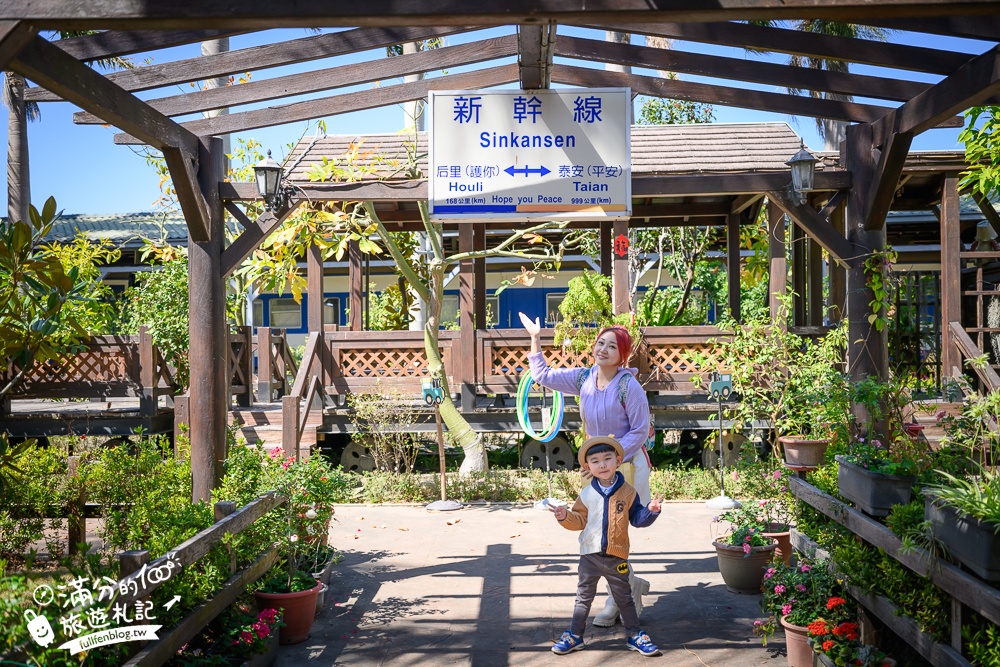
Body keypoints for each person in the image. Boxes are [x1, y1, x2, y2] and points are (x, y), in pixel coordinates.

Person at [520, 311, 653, 626]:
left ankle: (616, 599)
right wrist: (536, 338)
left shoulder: (628, 386)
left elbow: (639, 430)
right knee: (598, 534)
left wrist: (611, 459)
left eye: (611, 346)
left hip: (628, 465)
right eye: (600, 343)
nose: (602, 349)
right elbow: (544, 376)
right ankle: (629, 587)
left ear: (622, 355)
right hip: (599, 468)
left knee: (611, 534)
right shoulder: (583, 378)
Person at [548, 435, 663, 656]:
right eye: (595, 461)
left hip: (616, 556)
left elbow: (638, 519)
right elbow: (579, 520)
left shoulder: (628, 492)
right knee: (583, 598)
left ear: (618, 460)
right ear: (587, 466)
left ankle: (634, 635)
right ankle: (575, 635)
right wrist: (564, 516)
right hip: (589, 556)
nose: (602, 465)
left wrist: (651, 511)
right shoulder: (587, 493)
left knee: (624, 599)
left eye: (607, 459)